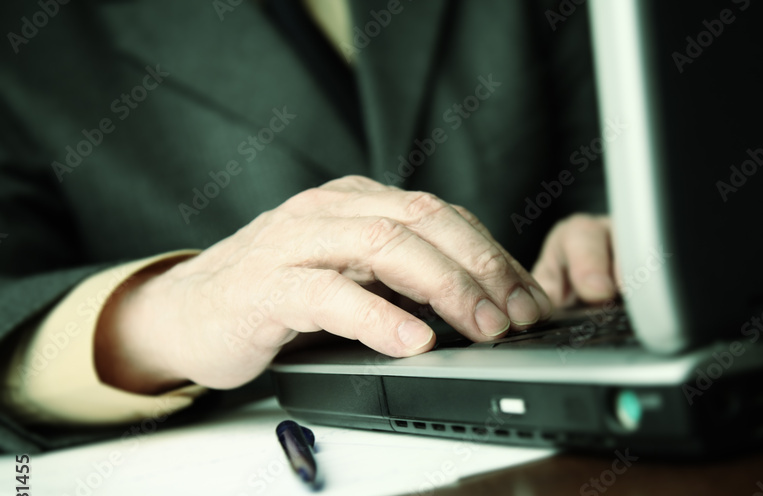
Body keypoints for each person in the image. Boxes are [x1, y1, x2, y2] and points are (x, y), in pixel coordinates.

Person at [0, 0, 616, 452]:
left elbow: (607, 161)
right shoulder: (27, 38)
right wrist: (160, 317)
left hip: (569, 434)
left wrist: (615, 240)